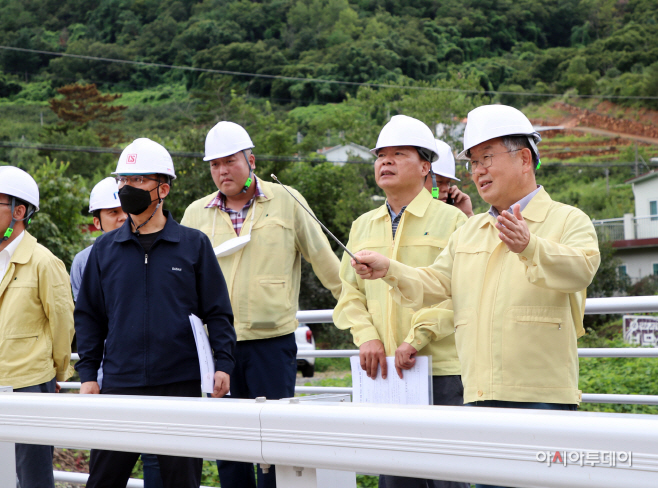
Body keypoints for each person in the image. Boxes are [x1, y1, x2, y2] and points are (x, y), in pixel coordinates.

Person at [350, 105, 601, 488]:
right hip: (480, 394)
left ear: (523, 159)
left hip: (540, 395)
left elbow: (581, 268)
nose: (478, 171)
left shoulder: (567, 220)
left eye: (487, 158)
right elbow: (436, 283)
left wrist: (531, 246)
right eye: (473, 163)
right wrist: (391, 269)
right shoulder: (471, 231)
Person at [181, 121, 341, 488]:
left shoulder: (286, 199)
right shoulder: (196, 214)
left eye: (230, 161)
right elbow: (182, 285)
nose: (222, 171)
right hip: (217, 349)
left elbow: (324, 260)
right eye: (214, 164)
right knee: (230, 450)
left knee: (275, 446)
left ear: (250, 160)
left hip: (273, 342)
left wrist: (359, 314)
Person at [74, 138, 236, 488]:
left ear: (162, 189)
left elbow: (218, 311)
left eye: (137, 181)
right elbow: (89, 317)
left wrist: (223, 363)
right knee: (103, 480)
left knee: (181, 481)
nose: (127, 189)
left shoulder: (193, 246)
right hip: (120, 384)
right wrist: (88, 373)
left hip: (180, 384)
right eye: (123, 181)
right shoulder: (104, 250)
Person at [333, 115, 469, 488]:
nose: (385, 162)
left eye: (398, 154)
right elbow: (349, 292)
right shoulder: (363, 224)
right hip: (385, 373)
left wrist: (418, 337)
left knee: (448, 477)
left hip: (441, 369)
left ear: (426, 166)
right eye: (380, 155)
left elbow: (460, 292)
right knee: (394, 475)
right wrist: (367, 338)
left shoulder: (454, 222)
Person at [70, 177, 165, 488]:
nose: (122, 215)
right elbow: (89, 321)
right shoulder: (86, 260)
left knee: (158, 456)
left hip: (160, 373)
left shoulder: (161, 246)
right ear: (97, 221)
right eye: (111, 212)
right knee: (109, 457)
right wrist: (90, 376)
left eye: (122, 209)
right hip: (111, 375)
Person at [0, 166, 75, 488]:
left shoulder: (44, 262)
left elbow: (63, 325)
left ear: (19, 211)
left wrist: (55, 376)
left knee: (32, 477)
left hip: (29, 383)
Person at [70, 177, 127, 300]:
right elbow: (85, 313)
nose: (124, 217)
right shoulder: (83, 261)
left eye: (127, 210)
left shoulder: (147, 254)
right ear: (97, 222)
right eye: (114, 212)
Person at [424, 139, 474, 218]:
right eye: (438, 182)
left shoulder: (451, 217)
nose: (446, 189)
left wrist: (467, 214)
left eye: (448, 183)